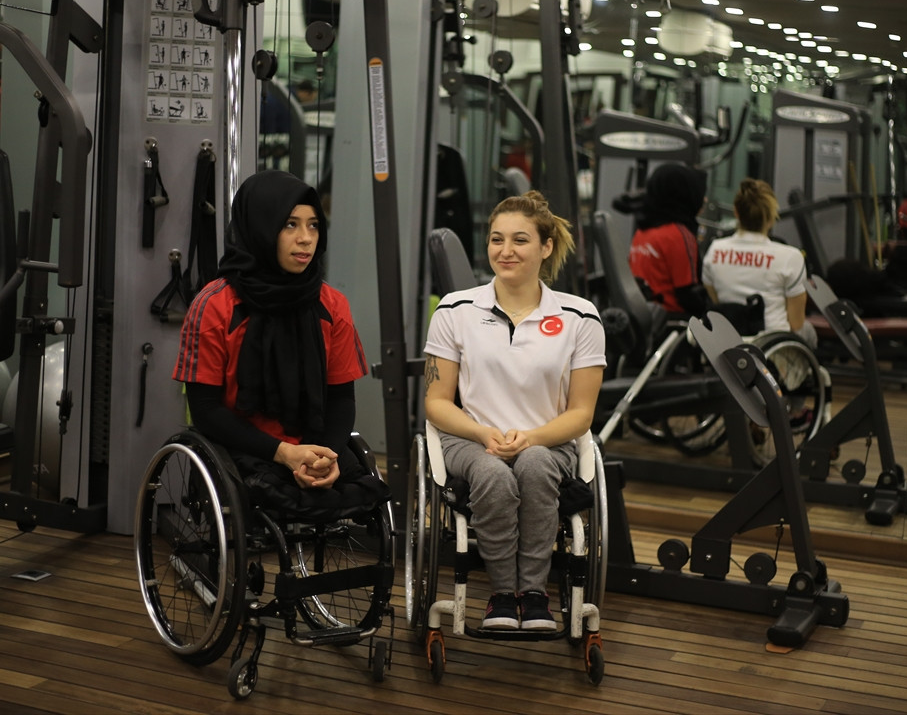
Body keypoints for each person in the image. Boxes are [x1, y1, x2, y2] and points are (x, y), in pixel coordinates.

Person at [423, 191, 605, 631]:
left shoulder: (581, 317)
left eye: (520, 240)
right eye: (496, 239)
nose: (505, 251)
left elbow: (581, 414)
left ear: (546, 247)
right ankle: (503, 594)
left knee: (535, 464)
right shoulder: (454, 309)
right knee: (493, 474)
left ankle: (535, 595)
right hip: (470, 439)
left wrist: (532, 438)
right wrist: (483, 434)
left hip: (550, 443)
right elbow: (436, 402)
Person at [172, 170, 386, 516]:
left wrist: (326, 456)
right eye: (290, 225)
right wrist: (284, 453)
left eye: (313, 225)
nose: (306, 239)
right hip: (243, 448)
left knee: (368, 494)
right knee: (274, 493)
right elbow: (206, 410)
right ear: (260, 228)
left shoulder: (332, 305)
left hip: (314, 447)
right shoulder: (215, 305)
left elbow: (341, 398)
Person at [702, 178, 815, 346]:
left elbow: (717, 302)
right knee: (809, 331)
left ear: (736, 212)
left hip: (725, 348)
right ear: (771, 216)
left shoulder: (714, 251)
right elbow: (796, 324)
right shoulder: (791, 257)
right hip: (772, 347)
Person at [627, 163, 709, 317]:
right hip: (672, 319)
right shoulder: (679, 235)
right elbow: (687, 293)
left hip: (642, 316)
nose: (704, 199)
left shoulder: (642, 232)